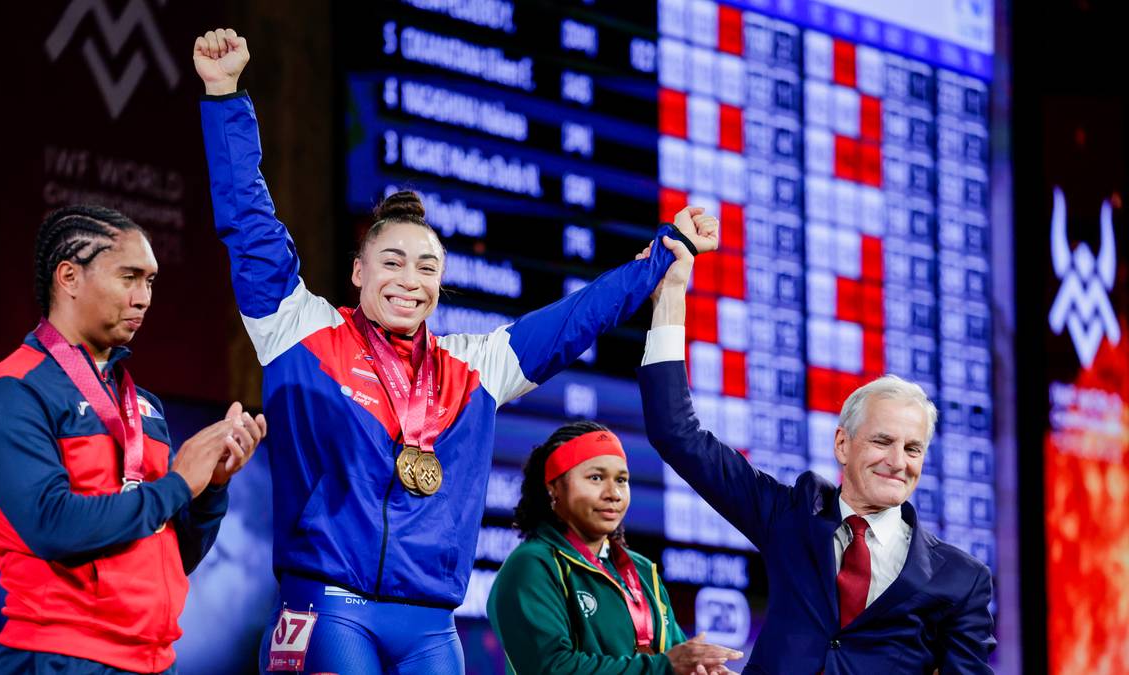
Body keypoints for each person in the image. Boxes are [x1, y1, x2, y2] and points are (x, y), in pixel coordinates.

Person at [192, 28, 719, 674]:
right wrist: (224, 97)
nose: (410, 280)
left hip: (431, 626)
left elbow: (574, 321)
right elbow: (249, 225)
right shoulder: (300, 331)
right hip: (328, 606)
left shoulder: (474, 366)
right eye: (392, 261)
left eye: (426, 267)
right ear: (358, 271)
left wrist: (663, 255)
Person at [634, 239, 996, 673]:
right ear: (842, 444)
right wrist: (671, 296)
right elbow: (678, 435)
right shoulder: (791, 515)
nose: (898, 461)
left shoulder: (961, 577)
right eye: (882, 441)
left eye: (913, 448)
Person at [0, 205, 267, 674]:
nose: (143, 297)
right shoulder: (11, 392)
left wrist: (212, 490)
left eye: (150, 282)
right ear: (68, 277)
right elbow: (52, 525)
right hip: (59, 658)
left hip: (154, 661)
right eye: (129, 277)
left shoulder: (144, 407)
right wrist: (178, 485)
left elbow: (169, 553)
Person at [488, 421, 743, 674]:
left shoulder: (642, 570)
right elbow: (551, 668)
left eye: (621, 480)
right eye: (596, 477)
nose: (614, 493)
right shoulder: (532, 565)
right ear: (553, 487)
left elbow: (677, 661)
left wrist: (701, 670)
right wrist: (663, 667)